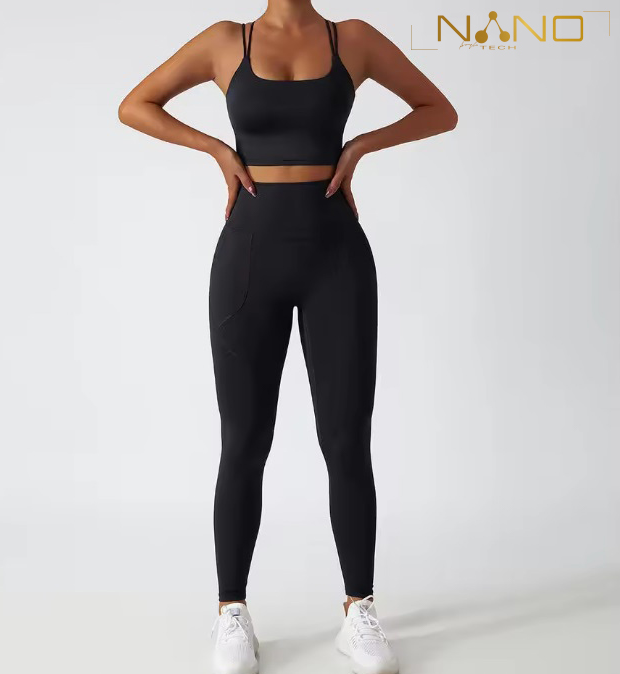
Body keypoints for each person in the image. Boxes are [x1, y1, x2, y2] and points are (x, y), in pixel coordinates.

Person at [119, 2, 457, 672]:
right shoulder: (226, 41)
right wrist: (217, 150)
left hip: (337, 258)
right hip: (248, 258)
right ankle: (231, 612)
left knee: (346, 439)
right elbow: (136, 105)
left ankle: (358, 610)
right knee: (244, 441)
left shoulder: (353, 39)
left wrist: (359, 147)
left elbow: (437, 110)